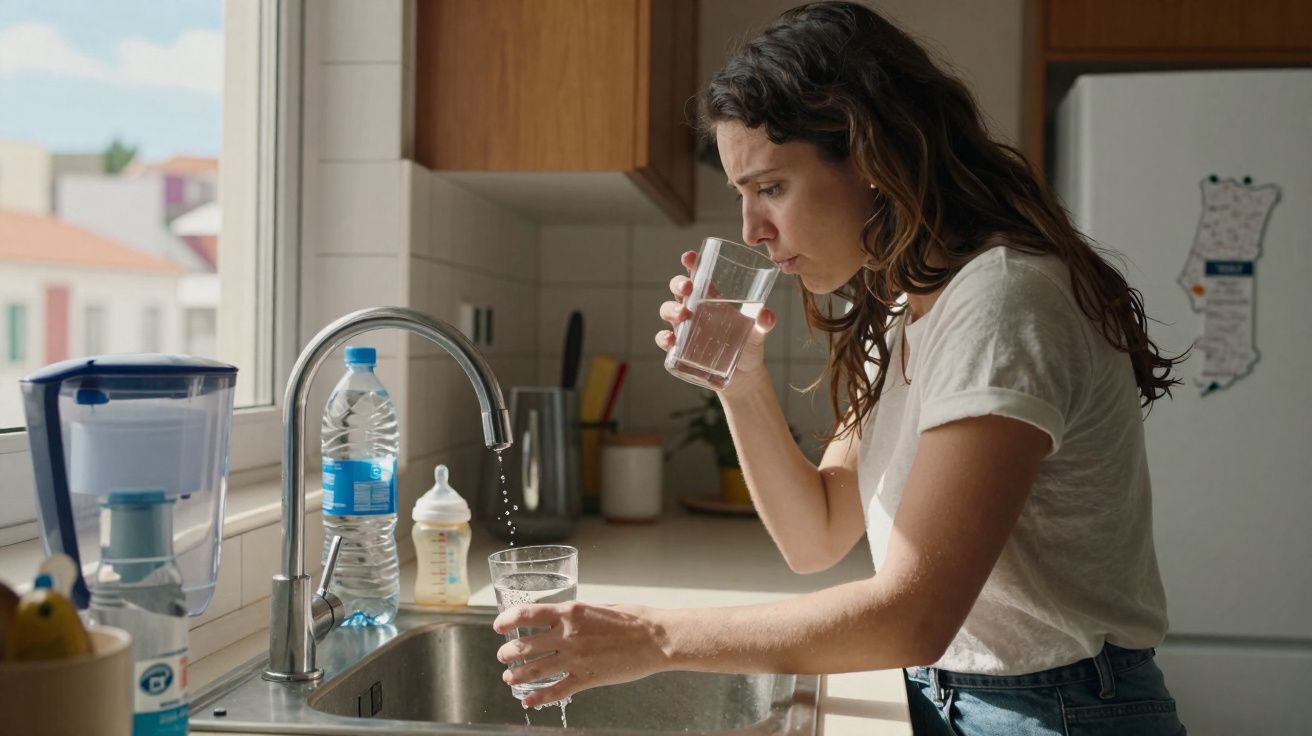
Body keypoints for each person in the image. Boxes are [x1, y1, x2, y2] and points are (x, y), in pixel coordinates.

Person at [492, 3, 1188, 733]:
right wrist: (739, 381)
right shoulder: (908, 307)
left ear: (873, 158)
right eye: (742, 196)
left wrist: (655, 637)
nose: (751, 232)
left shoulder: (1003, 303)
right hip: (970, 698)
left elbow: (912, 617)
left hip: (1055, 711)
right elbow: (816, 535)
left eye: (770, 188)